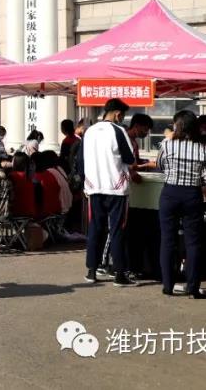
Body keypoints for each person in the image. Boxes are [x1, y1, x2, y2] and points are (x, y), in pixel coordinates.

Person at [157, 110, 206, 298]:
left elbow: (160, 165)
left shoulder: (167, 144)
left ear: (178, 126)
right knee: (193, 242)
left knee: (168, 240)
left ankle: (168, 285)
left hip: (170, 192)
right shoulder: (204, 149)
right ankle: (193, 287)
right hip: (192, 195)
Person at [79, 98, 137, 286]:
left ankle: (91, 271)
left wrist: (85, 182)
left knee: (95, 228)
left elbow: (81, 161)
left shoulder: (89, 132)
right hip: (116, 188)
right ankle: (120, 273)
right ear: (118, 114)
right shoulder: (119, 131)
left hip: (94, 187)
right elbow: (129, 158)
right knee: (118, 229)